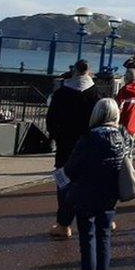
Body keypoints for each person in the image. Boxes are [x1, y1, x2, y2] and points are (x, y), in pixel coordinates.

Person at [59, 99, 130, 270]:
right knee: (104, 240)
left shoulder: (88, 138)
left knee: (88, 243)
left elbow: (71, 169)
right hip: (109, 196)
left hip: (86, 195)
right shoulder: (123, 136)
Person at [46, 59, 103, 239]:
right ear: (89, 72)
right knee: (91, 185)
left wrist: (56, 135)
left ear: (74, 71)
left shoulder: (61, 94)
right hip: (89, 148)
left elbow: (50, 121)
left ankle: (64, 224)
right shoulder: (97, 95)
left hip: (65, 147)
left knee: (64, 185)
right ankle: (97, 219)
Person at [115, 68, 135, 143]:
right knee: (129, 147)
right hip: (134, 126)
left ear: (127, 77)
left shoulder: (124, 91)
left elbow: (116, 109)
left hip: (122, 126)